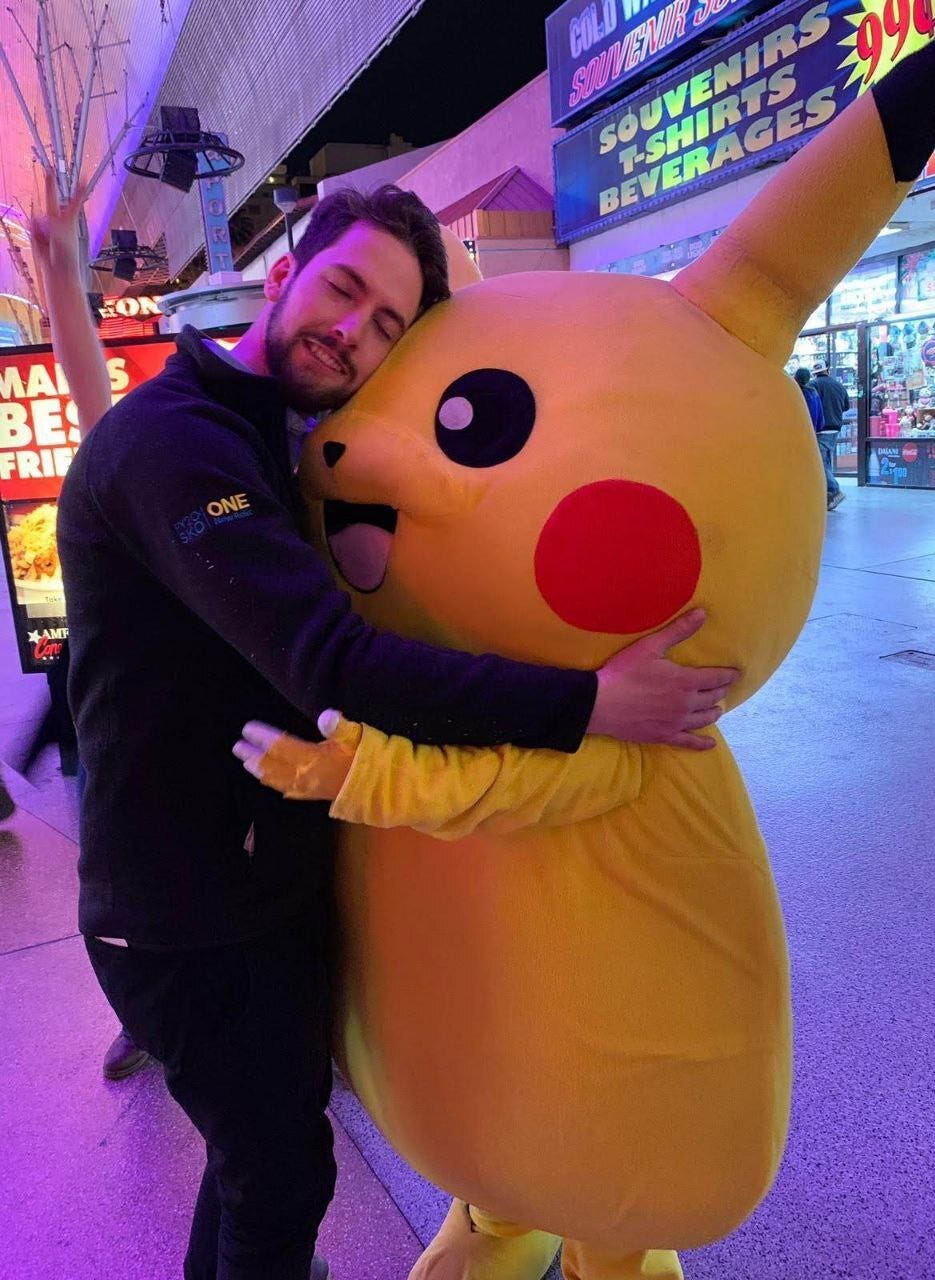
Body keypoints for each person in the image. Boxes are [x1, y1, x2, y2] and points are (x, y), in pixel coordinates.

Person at [55, 182, 739, 1280]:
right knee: (282, 1172)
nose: (355, 334)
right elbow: (334, 661)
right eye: (344, 291)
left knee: (256, 1151)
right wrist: (589, 703)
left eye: (388, 325)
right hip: (182, 909)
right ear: (283, 272)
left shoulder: (269, 434)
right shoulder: (181, 446)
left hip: (251, 876)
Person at [29, 174, 151, 1082]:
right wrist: (62, 276)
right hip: (106, 739)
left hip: (179, 746)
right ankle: (139, 1014)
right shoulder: (129, 490)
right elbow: (92, 403)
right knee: (114, 892)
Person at [795, 365, 841, 511]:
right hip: (823, 430)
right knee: (823, 461)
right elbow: (821, 416)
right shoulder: (814, 392)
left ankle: (834, 491)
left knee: (820, 464)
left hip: (805, 435)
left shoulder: (799, 394)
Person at [811, 359, 849, 510]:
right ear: (827, 369)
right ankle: (827, 495)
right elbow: (845, 406)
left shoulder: (813, 385)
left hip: (821, 428)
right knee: (826, 461)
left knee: (821, 463)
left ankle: (834, 490)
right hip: (835, 428)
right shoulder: (838, 385)